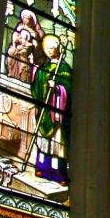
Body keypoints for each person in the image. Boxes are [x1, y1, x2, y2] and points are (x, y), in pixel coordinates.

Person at [29, 33, 71, 184]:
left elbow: (69, 88)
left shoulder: (64, 68)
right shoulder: (44, 67)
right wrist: (35, 74)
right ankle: (42, 167)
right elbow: (36, 86)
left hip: (56, 111)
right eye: (47, 48)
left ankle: (58, 172)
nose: (49, 50)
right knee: (43, 141)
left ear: (58, 49)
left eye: (52, 48)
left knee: (57, 142)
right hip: (44, 110)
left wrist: (58, 88)